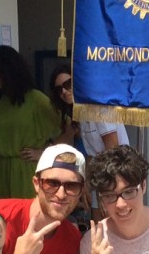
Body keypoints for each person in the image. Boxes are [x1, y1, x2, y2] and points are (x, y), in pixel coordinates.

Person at [0, 45, 68, 199]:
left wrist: (44, 153)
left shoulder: (35, 98)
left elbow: (66, 126)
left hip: (27, 172)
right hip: (0, 172)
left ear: (7, 70)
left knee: (27, 212)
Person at [49, 63, 129, 224]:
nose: (64, 91)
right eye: (59, 89)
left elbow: (113, 151)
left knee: (114, 228)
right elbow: (92, 156)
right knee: (98, 228)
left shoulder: (99, 107)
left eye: (68, 84)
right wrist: (86, 183)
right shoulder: (80, 113)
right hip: (100, 176)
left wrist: (104, 191)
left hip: (116, 176)